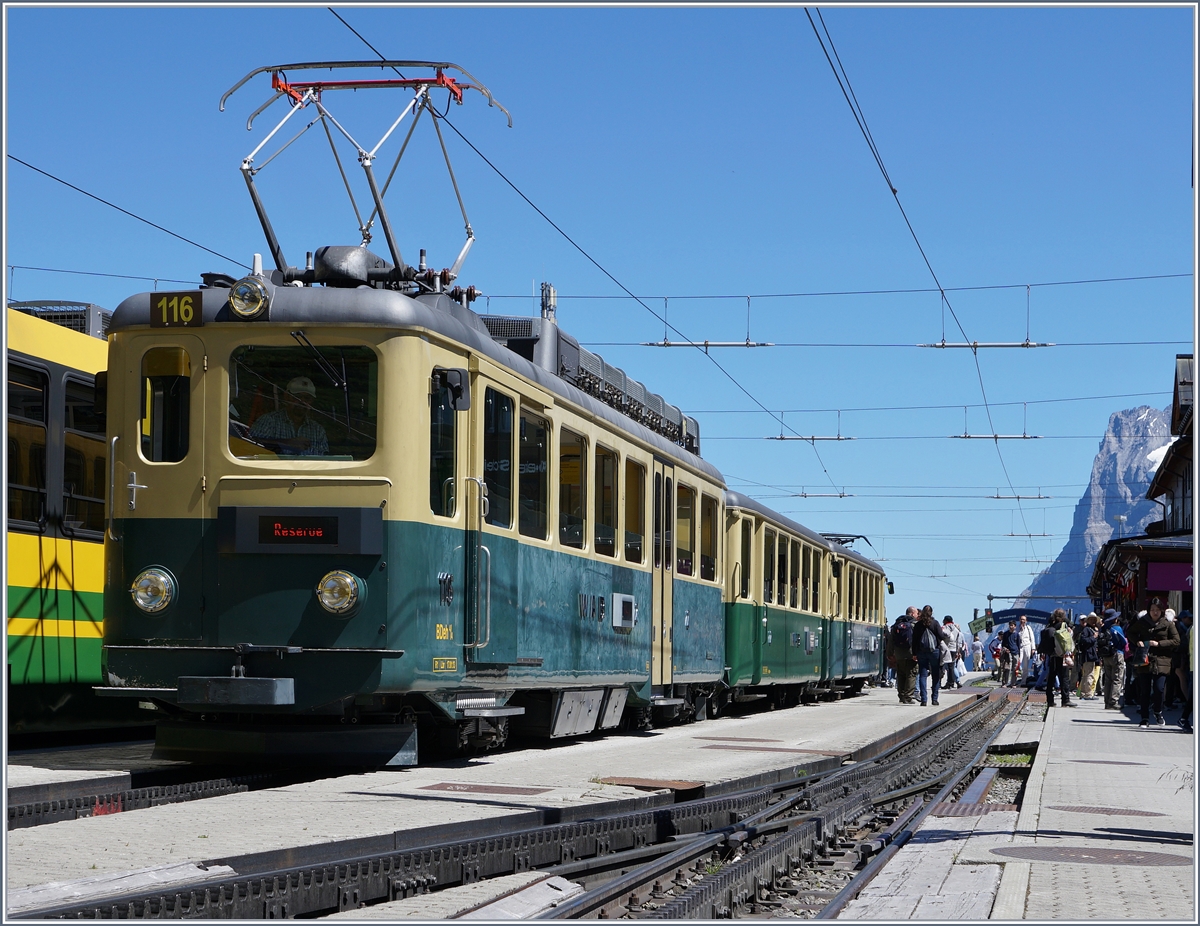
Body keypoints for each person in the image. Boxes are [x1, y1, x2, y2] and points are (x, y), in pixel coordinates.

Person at [1127, 598, 1180, 728]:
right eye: (1152, 610)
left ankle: (1158, 711)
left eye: (1157, 610)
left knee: (1159, 688)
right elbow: (1130, 632)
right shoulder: (1143, 622)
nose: (1155, 612)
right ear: (1149, 611)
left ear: (1161, 611)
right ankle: (1144, 718)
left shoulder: (1167, 624)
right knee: (1144, 690)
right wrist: (1137, 641)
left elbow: (1176, 640)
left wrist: (1159, 644)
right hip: (1145, 659)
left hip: (1162, 660)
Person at [248, 376, 330, 456]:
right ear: (286, 396)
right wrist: (286, 443)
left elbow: (325, 462)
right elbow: (249, 445)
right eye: (297, 397)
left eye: (307, 398)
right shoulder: (269, 421)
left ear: (311, 401)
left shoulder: (318, 431)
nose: (302, 401)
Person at [1039, 609, 1077, 708]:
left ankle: (1050, 700)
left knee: (1051, 678)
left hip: (1052, 656)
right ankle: (1065, 700)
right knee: (1064, 678)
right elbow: (1067, 639)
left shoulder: (1050, 625)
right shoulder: (1063, 626)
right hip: (1061, 656)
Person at [912, 606, 948, 707]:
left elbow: (914, 640)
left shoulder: (918, 624)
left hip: (921, 652)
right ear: (931, 613)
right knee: (935, 675)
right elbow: (941, 636)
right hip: (934, 651)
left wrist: (914, 653)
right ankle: (934, 699)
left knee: (922, 675)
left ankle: (924, 699)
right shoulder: (935, 623)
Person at [886, 607, 919, 704]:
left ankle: (901, 696)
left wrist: (890, 654)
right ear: (912, 614)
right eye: (916, 613)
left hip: (899, 654)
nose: (917, 615)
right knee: (911, 674)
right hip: (911, 653)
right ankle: (908, 697)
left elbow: (891, 640)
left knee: (900, 674)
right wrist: (917, 653)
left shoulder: (896, 625)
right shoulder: (914, 625)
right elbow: (917, 640)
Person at [1098, 608, 1127, 710]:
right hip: (1117, 654)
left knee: (1108, 679)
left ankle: (1107, 702)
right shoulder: (1117, 629)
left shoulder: (1103, 628)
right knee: (1117, 678)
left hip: (1106, 656)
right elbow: (1123, 642)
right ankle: (1113, 701)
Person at [1076, 613, 1100, 700]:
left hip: (1092, 655)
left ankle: (1084, 693)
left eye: (1094, 620)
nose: (1093, 621)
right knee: (1089, 675)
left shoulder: (1093, 629)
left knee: (1088, 674)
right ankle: (1088, 694)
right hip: (1088, 655)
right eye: (1091, 620)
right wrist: (1093, 638)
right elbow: (1084, 641)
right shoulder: (1087, 630)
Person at [1016, 615, 1038, 686]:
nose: (1022, 621)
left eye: (1024, 619)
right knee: (1018, 663)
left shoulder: (1028, 628)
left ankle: (1023, 682)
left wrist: (1033, 648)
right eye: (1021, 619)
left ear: (1026, 621)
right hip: (1019, 647)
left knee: (1026, 665)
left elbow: (1032, 638)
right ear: (1019, 620)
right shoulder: (1017, 628)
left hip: (1027, 647)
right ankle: (1015, 679)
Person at [1000, 621, 1021, 686]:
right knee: (1007, 668)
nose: (1011, 627)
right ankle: (1005, 683)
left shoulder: (1017, 635)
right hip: (1008, 653)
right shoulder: (1006, 634)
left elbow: (1018, 645)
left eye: (1012, 625)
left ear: (1015, 626)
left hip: (1015, 653)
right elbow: (1003, 644)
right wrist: (1005, 649)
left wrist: (1019, 654)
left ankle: (1013, 683)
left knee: (1015, 669)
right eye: (1010, 625)